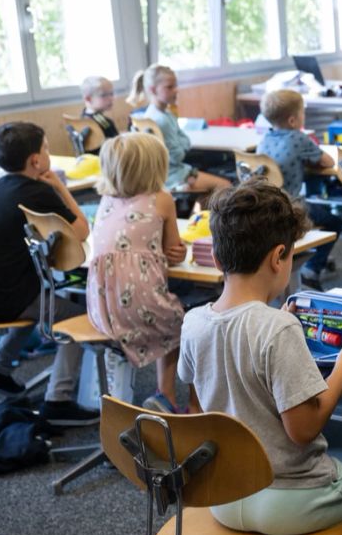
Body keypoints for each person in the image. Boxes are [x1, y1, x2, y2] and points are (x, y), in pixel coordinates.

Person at [178, 180, 342, 535]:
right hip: (292, 498)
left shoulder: (194, 321)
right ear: (279, 258)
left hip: (226, 495)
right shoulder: (279, 328)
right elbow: (303, 430)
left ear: (215, 258)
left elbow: (199, 410)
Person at [0, 122, 99, 425]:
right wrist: (59, 187)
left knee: (43, 299)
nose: (48, 153)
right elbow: (81, 230)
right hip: (13, 297)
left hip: (4, 291)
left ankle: (0, 365)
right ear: (35, 161)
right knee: (81, 318)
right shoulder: (39, 192)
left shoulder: (1, 187)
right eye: (47, 148)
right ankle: (59, 399)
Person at [85, 132, 194, 413]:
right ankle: (171, 396)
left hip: (101, 307)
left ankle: (163, 396)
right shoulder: (162, 199)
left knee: (168, 316)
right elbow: (174, 250)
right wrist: (178, 252)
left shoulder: (106, 199)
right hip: (140, 303)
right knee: (186, 324)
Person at [257, 88, 342, 291]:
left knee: (320, 212)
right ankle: (312, 269)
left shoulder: (264, 139)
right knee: (335, 222)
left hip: (266, 206)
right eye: (303, 112)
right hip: (290, 206)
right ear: (294, 120)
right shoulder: (298, 138)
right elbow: (328, 161)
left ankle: (315, 255)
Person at [127, 63, 230, 193]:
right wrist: (182, 143)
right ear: (153, 90)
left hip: (166, 175)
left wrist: (181, 141)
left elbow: (183, 139)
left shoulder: (153, 114)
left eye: (175, 86)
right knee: (225, 186)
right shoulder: (162, 120)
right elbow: (178, 155)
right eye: (169, 87)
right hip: (174, 177)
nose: (176, 90)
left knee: (206, 192)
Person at [80, 75, 119, 141]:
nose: (111, 98)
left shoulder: (82, 117)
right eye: (103, 95)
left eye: (111, 94)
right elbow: (117, 144)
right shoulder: (105, 122)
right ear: (88, 99)